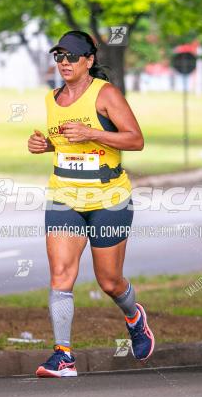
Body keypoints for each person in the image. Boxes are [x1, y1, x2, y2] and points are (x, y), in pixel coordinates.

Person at [27, 30, 154, 378]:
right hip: (64, 195)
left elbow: (136, 140)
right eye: (59, 57)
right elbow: (66, 144)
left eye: (71, 56)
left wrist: (93, 133)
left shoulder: (106, 95)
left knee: (109, 281)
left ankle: (134, 317)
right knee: (61, 276)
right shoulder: (52, 99)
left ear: (88, 60)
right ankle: (63, 355)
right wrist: (45, 146)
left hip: (108, 198)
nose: (64, 63)